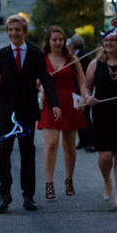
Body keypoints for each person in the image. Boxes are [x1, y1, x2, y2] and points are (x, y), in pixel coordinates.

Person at [0, 15, 60, 212]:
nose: (14, 33)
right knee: (3, 152)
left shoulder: (36, 54)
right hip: (6, 112)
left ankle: (28, 195)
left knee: (27, 153)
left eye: (17, 29)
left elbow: (46, 79)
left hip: (27, 111)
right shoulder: (1, 54)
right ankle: (5, 193)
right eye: (10, 30)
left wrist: (54, 103)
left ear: (25, 32)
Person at [84, 32, 117, 209]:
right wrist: (87, 98)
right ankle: (107, 180)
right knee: (105, 155)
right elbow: (86, 88)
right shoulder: (95, 64)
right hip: (101, 113)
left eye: (112, 40)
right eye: (105, 40)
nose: (108, 43)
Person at [38, 26, 89, 200]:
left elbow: (82, 82)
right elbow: (35, 82)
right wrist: (39, 81)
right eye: (54, 40)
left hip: (69, 104)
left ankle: (69, 180)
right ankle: (49, 182)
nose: (58, 43)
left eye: (60, 39)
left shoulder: (72, 58)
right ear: (48, 41)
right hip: (49, 104)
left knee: (70, 145)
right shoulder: (42, 59)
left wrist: (84, 97)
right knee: (51, 143)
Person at [70, 34, 96, 152]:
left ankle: (90, 142)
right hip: (76, 90)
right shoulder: (76, 55)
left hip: (82, 90)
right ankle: (83, 140)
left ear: (74, 44)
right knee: (79, 115)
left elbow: (84, 74)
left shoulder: (83, 56)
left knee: (85, 116)